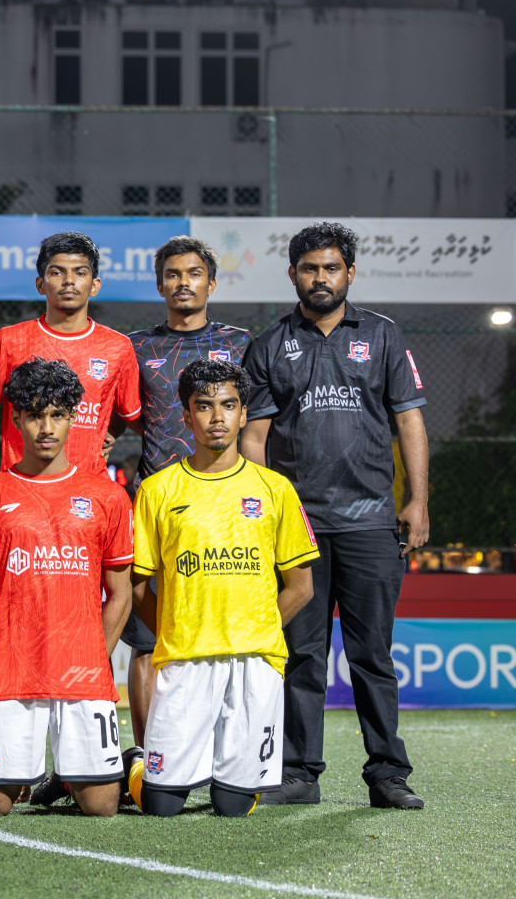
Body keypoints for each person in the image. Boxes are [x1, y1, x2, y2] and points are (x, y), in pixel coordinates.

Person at [239, 222, 429, 810]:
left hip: (373, 521)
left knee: (373, 654)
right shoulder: (271, 343)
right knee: (302, 653)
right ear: (293, 273)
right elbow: (255, 436)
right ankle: (298, 773)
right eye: (309, 268)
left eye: (330, 268)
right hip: (299, 526)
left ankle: (387, 774)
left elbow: (409, 421)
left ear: (350, 272)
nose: (320, 278)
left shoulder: (383, 336)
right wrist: (264, 511)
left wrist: (418, 499)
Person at [126, 359, 317, 817]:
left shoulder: (276, 489)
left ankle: (224, 771)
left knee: (233, 806)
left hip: (256, 662)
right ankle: (136, 764)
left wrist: (257, 629)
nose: (217, 418)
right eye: (205, 407)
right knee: (160, 805)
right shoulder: (156, 490)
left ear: (243, 414)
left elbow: (301, 588)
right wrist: (175, 629)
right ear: (187, 416)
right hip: (186, 660)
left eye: (228, 406)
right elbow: (137, 588)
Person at [109, 236, 252, 772]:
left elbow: (255, 427)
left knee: (221, 635)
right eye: (172, 274)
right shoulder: (136, 347)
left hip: (225, 507)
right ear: (160, 283)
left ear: (210, 283)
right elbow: (113, 418)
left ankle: (222, 755)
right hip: (155, 502)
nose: (183, 282)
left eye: (194, 273)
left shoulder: (241, 343)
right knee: (147, 639)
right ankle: (149, 759)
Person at [0, 359, 133, 818]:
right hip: (12, 675)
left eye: (57, 414)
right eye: (35, 414)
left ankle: (72, 773)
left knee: (102, 808)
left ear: (74, 417)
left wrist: (94, 659)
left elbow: (120, 593)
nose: (46, 426)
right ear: (16, 418)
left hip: (84, 676)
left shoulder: (107, 497)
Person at [0, 232, 140, 476]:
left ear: (95, 285)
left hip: (89, 489)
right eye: (57, 272)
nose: (69, 281)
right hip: (21, 488)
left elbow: (130, 413)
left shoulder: (118, 347)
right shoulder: (9, 341)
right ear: (40, 284)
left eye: (80, 273)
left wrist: (109, 430)